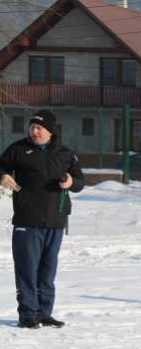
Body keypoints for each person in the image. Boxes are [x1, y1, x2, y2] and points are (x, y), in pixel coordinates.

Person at [0, 110, 84, 329]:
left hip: (55, 221)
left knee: (48, 269)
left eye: (39, 128)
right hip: (27, 220)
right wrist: (3, 176)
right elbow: (1, 167)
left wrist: (71, 182)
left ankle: (44, 312)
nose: (34, 131)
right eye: (32, 127)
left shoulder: (65, 154)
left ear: (50, 131)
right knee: (27, 268)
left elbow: (80, 181)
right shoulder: (18, 150)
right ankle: (28, 314)